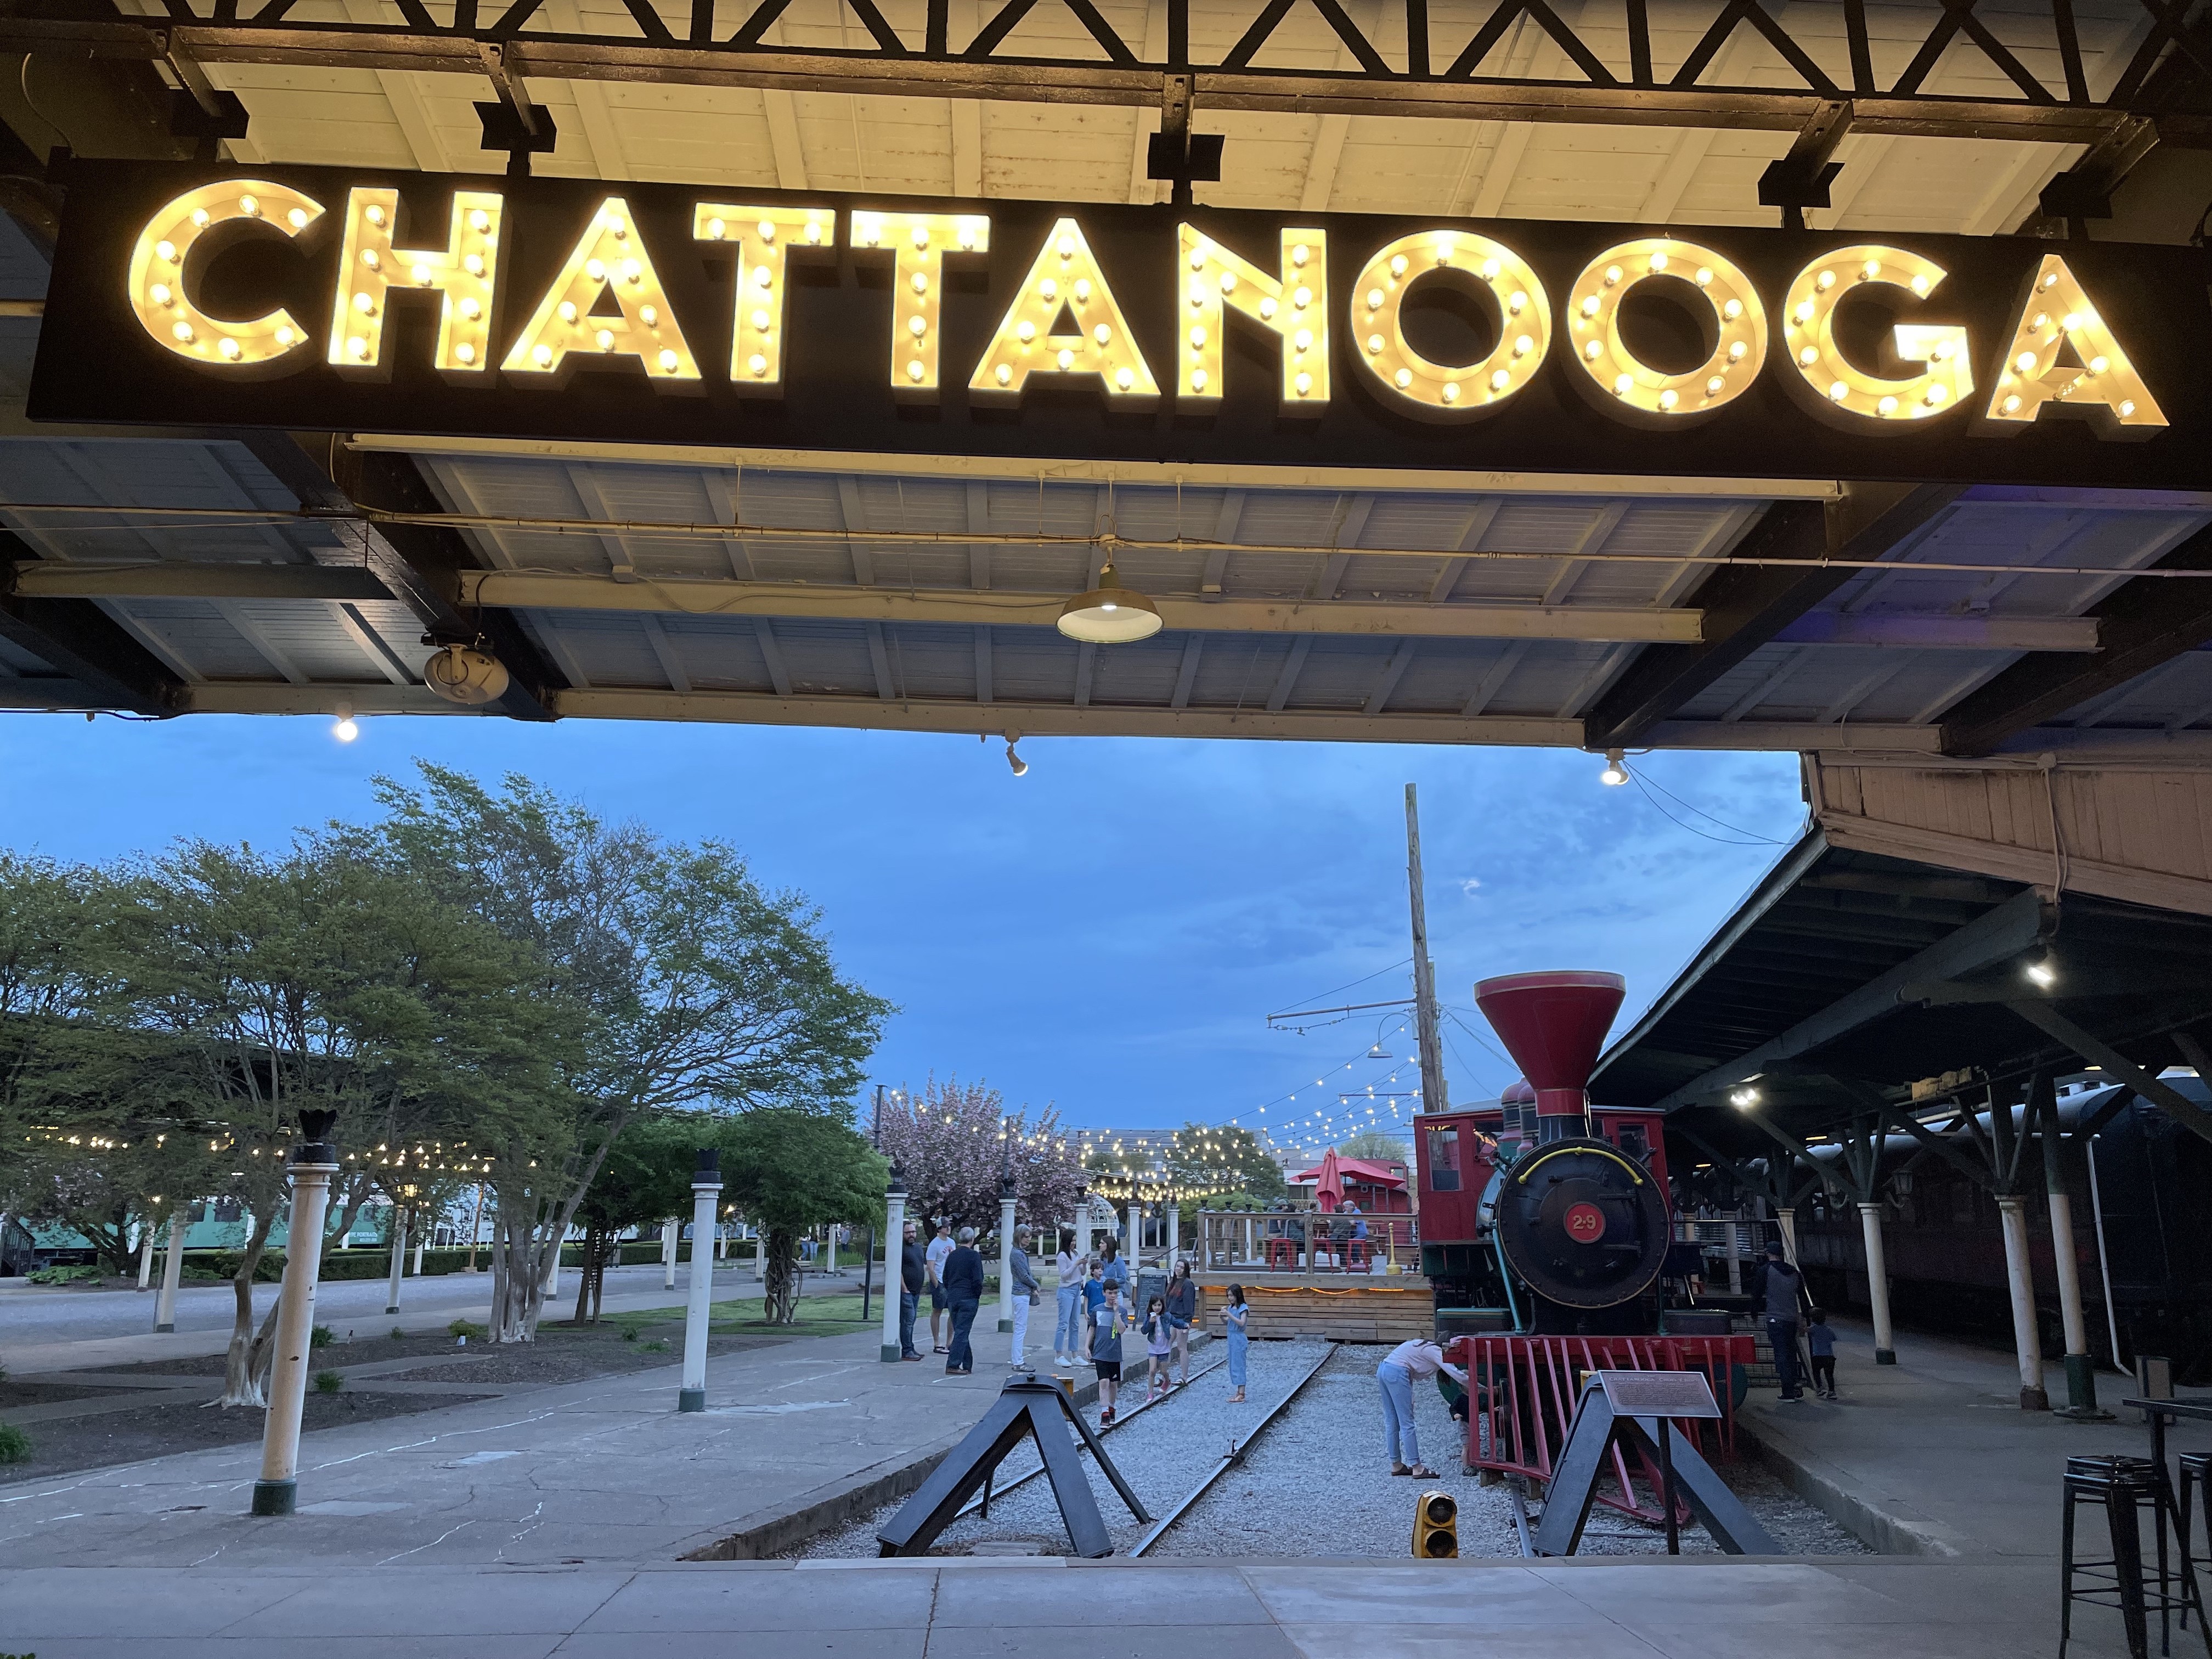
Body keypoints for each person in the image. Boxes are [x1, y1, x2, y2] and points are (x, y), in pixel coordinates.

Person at [1376, 1336, 1468, 1480]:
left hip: (1383, 1369)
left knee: (1392, 1421)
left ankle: (1396, 1465)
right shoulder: (1435, 1351)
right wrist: (1479, 1387)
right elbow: (1457, 1375)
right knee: (1407, 1424)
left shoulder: (1423, 1345)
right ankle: (1417, 1468)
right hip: (1396, 1373)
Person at [1758, 1239, 1810, 1402]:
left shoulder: (1765, 1271)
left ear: (1768, 1253)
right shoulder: (1795, 1272)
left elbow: (1757, 1293)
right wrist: (1805, 1318)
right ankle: (1796, 1387)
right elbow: (1802, 1297)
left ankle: (1788, 1392)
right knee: (1791, 1353)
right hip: (1791, 1320)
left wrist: (1754, 1312)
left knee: (1781, 1355)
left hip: (1775, 1319)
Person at [941, 1226, 985, 1374]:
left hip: (954, 1297)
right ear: (972, 1240)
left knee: (961, 1330)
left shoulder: (952, 1256)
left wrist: (951, 1291)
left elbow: (945, 1278)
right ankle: (953, 1364)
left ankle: (967, 1364)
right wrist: (976, 1295)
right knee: (962, 1331)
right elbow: (978, 1280)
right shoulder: (974, 1256)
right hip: (968, 1297)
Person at [1091, 1278, 1125, 1422]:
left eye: (1115, 1293)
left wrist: (1116, 1312)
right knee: (1103, 1381)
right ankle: (1104, 1412)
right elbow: (1092, 1328)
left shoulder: (1122, 1311)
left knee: (1113, 1383)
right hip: (1100, 1352)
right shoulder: (1097, 1310)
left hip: (1115, 1354)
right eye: (1110, 1293)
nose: (1113, 1296)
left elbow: (1122, 1330)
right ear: (1104, 1293)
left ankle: (1111, 1407)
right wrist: (1087, 1347)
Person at [1008, 1226, 1040, 1370]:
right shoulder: (1017, 1254)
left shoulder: (1019, 1253)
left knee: (1021, 1328)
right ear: (1019, 1237)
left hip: (1022, 1293)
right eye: (1026, 1236)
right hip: (1021, 1294)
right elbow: (1023, 1275)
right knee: (1020, 1329)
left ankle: (1018, 1360)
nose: (1029, 1239)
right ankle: (1018, 1362)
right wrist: (1035, 1285)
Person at [1054, 1235, 1087, 1365]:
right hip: (1066, 1291)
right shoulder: (1062, 1256)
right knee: (1063, 1323)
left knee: (1075, 1324)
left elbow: (1083, 1273)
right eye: (1071, 1240)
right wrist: (1075, 1264)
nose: (1073, 1243)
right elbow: (1064, 1275)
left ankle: (1075, 1354)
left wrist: (1084, 1264)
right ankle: (1059, 1355)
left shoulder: (1076, 1253)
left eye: (1075, 1240)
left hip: (1076, 1290)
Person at [896, 1218, 927, 1362]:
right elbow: (897, 1270)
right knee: (908, 1321)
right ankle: (907, 1350)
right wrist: (904, 1288)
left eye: (913, 1232)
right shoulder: (900, 1248)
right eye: (908, 1233)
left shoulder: (918, 1248)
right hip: (906, 1292)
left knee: (912, 1321)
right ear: (902, 1234)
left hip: (916, 1292)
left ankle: (911, 1347)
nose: (911, 1235)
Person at [1164, 1259, 1197, 1386]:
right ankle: (1164, 1375)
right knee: (1166, 1346)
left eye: (1182, 1267)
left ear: (1186, 1270)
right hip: (1171, 1318)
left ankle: (1184, 1377)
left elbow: (1189, 1303)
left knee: (1182, 1347)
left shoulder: (1188, 1284)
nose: (1178, 1269)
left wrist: (1188, 1321)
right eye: (1177, 1266)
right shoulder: (1172, 1282)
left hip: (1181, 1319)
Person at [925, 1221, 955, 1355]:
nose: (948, 1228)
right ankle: (937, 1343)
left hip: (951, 1281)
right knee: (938, 1310)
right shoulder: (934, 1245)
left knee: (953, 1311)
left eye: (949, 1226)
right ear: (939, 1228)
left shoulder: (952, 1243)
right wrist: (937, 1284)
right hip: (939, 1281)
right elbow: (930, 1267)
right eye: (945, 1226)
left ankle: (950, 1342)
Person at [1141, 1294, 1173, 1401]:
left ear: (1163, 1306)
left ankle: (1167, 1381)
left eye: (1159, 1305)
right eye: (1155, 1305)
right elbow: (1144, 1331)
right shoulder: (1149, 1317)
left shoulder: (1167, 1316)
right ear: (1151, 1306)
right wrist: (1151, 1323)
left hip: (1164, 1348)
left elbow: (1176, 1322)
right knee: (1152, 1370)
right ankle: (1150, 1393)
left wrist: (1184, 1326)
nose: (1157, 1308)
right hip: (1153, 1347)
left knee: (1163, 1371)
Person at [1223, 1283, 1250, 1403]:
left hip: (1239, 1338)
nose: (1230, 1298)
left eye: (1232, 1296)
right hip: (1232, 1338)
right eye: (1228, 1296)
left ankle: (1241, 1393)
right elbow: (1228, 1323)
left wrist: (1228, 1315)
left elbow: (1241, 1323)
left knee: (1239, 1365)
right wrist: (1223, 1317)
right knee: (1234, 1364)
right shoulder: (1231, 1308)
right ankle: (1239, 1391)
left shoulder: (1243, 1308)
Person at [1807, 1306, 1838, 1400]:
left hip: (1817, 1355)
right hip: (1829, 1356)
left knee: (1816, 1372)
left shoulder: (1813, 1329)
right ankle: (1832, 1392)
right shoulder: (1829, 1329)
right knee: (1829, 1374)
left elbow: (1804, 1330)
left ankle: (1820, 1388)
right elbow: (1834, 1338)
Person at [1098, 1237, 1130, 1308]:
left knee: (1117, 1314)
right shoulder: (1102, 1260)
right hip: (1104, 1293)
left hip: (1116, 1293)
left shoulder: (1118, 1260)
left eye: (1102, 1243)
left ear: (1109, 1245)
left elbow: (1123, 1279)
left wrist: (1108, 1281)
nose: (1100, 1245)